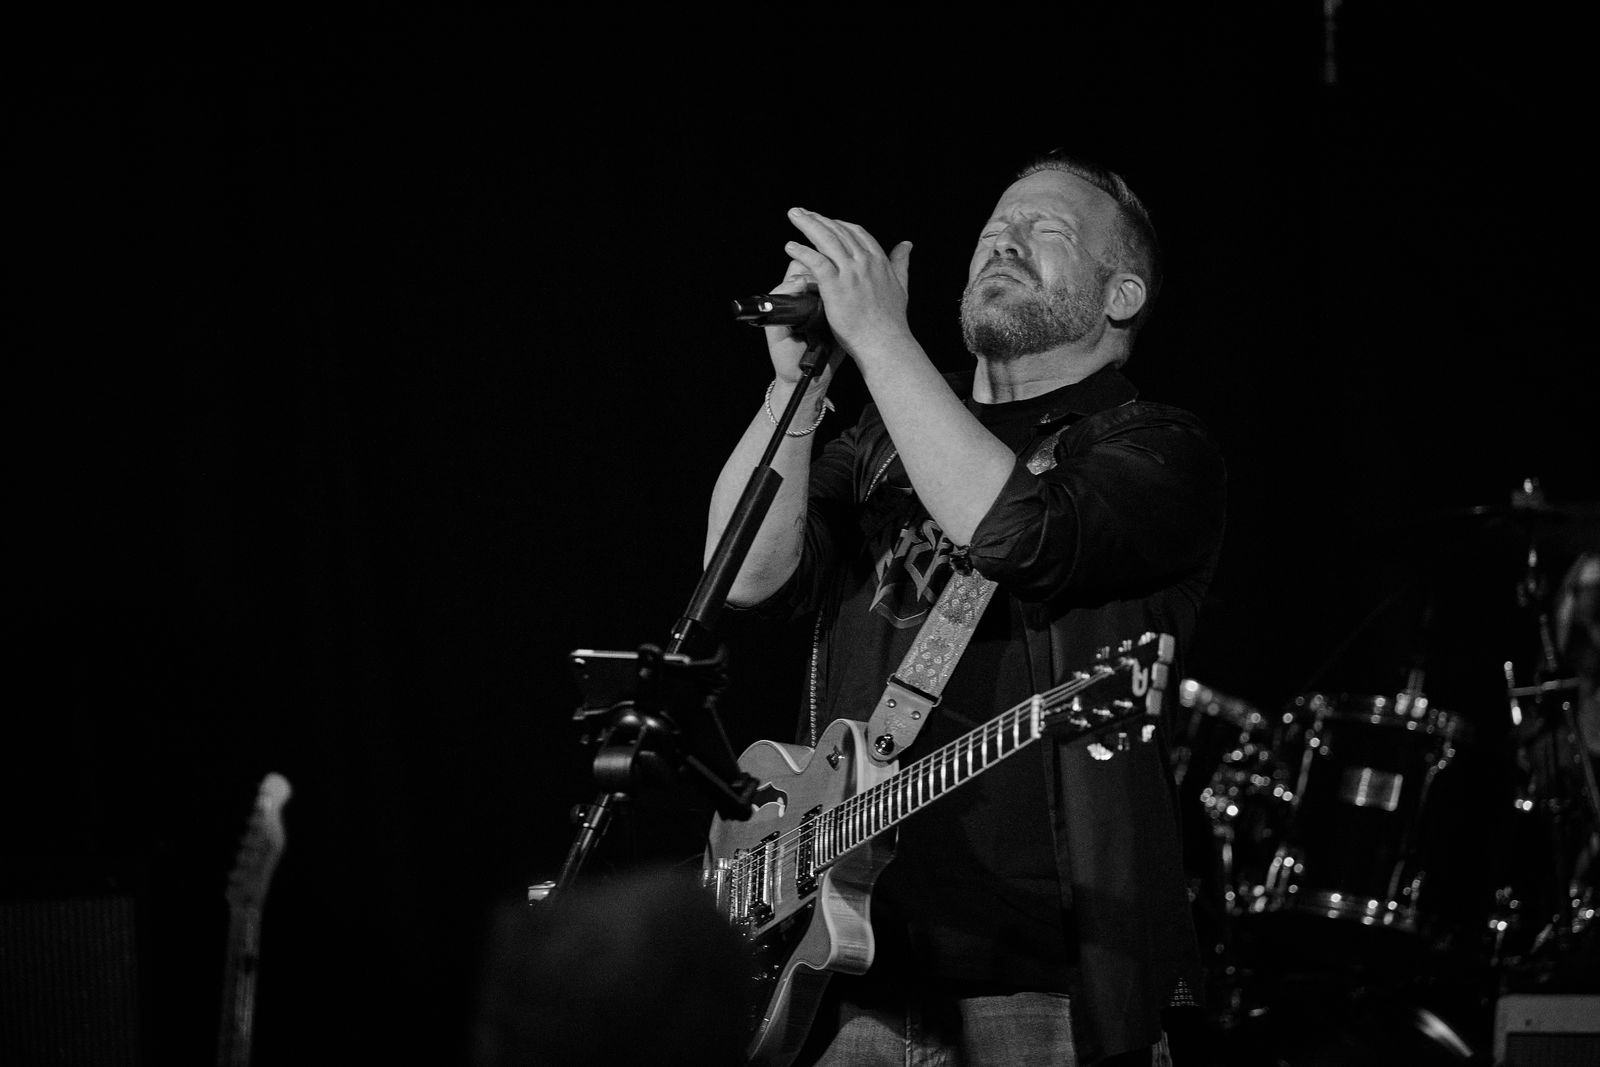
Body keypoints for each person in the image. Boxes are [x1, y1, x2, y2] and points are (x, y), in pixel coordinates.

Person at [704, 150, 1227, 1065]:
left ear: (1122, 296)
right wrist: (799, 385)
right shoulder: (883, 437)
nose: (1004, 242)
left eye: (1046, 231)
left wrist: (881, 338)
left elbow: (1018, 534)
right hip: (843, 977)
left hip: (1041, 990)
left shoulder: (1157, 449)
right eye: (994, 228)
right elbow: (741, 575)